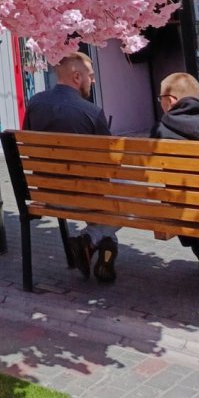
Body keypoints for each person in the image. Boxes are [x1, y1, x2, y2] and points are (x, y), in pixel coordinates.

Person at [23, 52, 119, 283]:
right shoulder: (91, 112)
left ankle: (97, 244)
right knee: (127, 194)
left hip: (45, 194)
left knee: (98, 192)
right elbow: (109, 164)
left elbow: (25, 143)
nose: (93, 81)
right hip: (84, 198)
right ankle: (91, 238)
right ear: (77, 76)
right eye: (91, 76)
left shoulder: (35, 103)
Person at [154, 71, 199, 277]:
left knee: (179, 200)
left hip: (183, 210)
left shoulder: (159, 130)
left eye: (161, 99)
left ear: (170, 101)